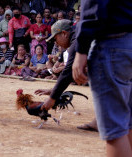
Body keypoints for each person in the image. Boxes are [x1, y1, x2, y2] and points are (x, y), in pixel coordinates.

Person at [72, 0, 132, 156]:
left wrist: (81, 49)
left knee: (116, 131)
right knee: (128, 122)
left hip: (114, 43)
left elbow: (94, 5)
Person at [34, 19, 98, 131]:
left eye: (55, 38)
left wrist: (52, 97)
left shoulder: (77, 38)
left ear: (64, 33)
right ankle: (99, 120)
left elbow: (68, 71)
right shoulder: (79, 33)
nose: (55, 42)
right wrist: (54, 90)